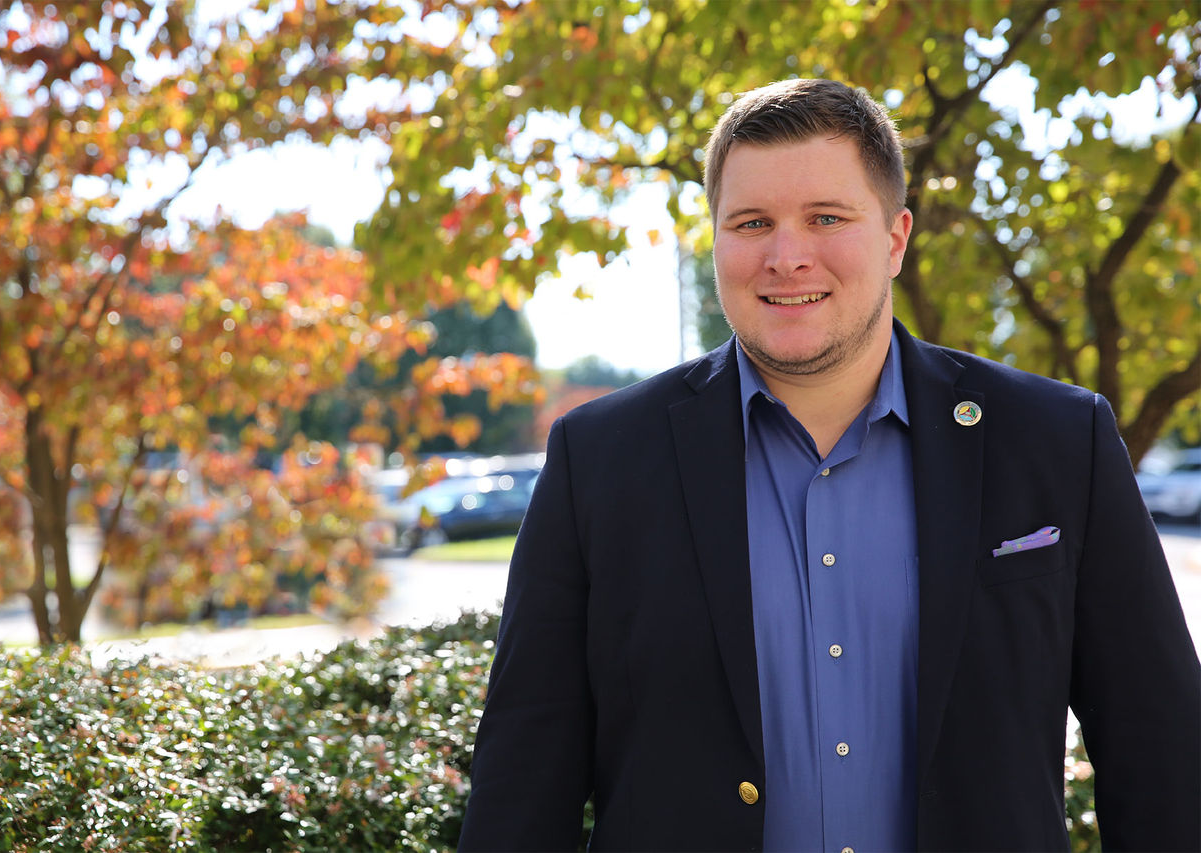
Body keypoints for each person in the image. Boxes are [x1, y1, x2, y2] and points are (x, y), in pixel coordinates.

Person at [458, 78, 1200, 852]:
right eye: (752, 223)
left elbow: (1160, 753)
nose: (787, 256)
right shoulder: (598, 459)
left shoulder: (1056, 439)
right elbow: (524, 773)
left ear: (895, 238)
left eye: (826, 218)